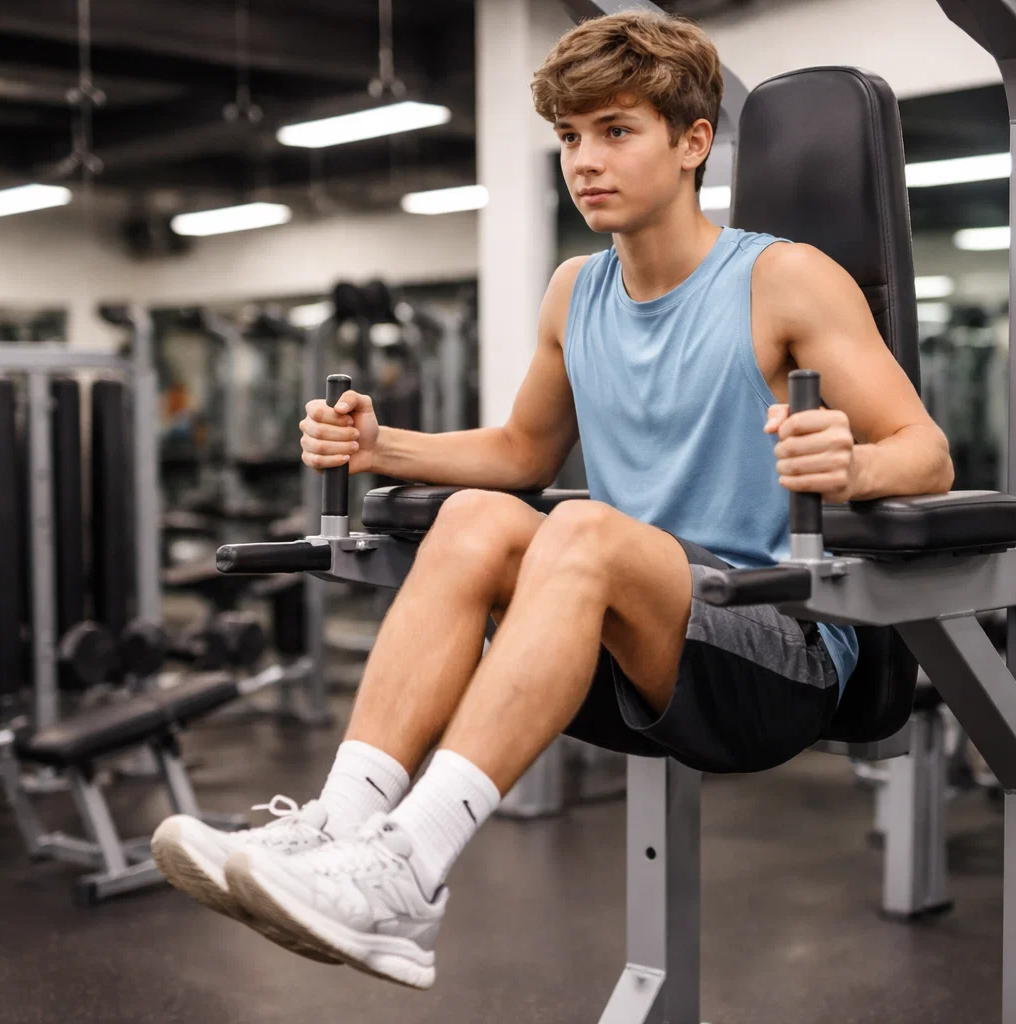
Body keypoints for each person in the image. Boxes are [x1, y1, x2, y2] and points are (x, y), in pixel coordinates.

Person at [151, 10, 952, 991]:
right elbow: (522, 450)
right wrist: (377, 443)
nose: (585, 160)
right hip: (617, 652)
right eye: (570, 137)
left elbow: (927, 454)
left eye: (616, 130)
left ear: (694, 142)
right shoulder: (577, 291)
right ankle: (346, 823)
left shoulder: (783, 279)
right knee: (481, 515)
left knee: (575, 528)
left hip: (770, 653)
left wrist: (852, 467)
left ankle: (408, 871)